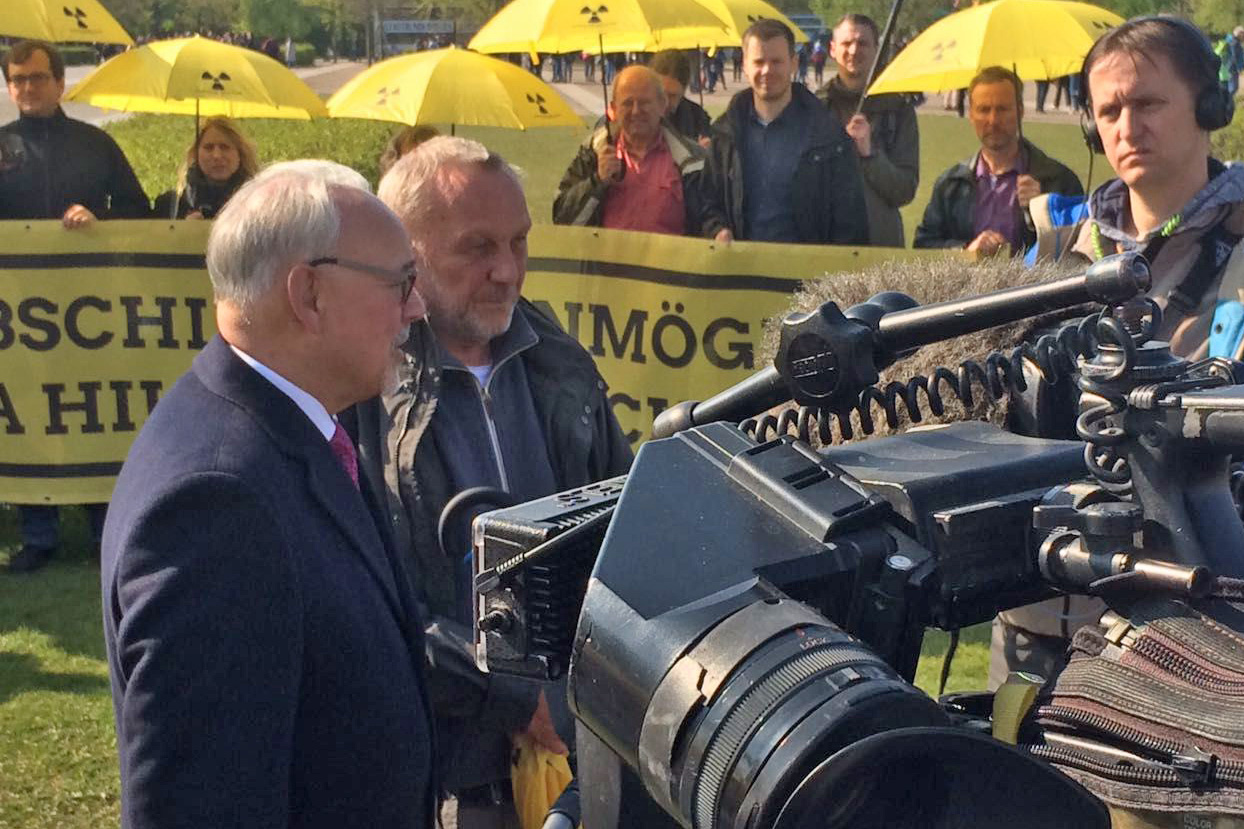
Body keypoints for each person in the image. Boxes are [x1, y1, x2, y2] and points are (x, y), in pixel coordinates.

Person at [101, 160, 436, 828]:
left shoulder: (287, 422)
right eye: (401, 281)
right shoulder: (218, 505)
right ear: (308, 294)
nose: (417, 307)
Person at [364, 136, 632, 829]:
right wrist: (513, 701)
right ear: (407, 252)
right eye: (477, 248)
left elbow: (627, 522)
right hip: (451, 777)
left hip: (590, 747)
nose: (507, 270)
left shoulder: (558, 357)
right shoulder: (362, 390)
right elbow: (369, 608)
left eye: (518, 241)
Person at [994, 16, 1244, 689]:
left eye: (1148, 103)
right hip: (1039, 619)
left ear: (1210, 106)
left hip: (1201, 629)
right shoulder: (1047, 255)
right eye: (1109, 110)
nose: (1127, 126)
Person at [1, 39, 149, 573]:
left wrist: (99, 219)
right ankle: (37, 534)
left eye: (37, 78)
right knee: (29, 411)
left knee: (89, 409)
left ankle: (100, 525)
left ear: (61, 83)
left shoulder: (95, 144)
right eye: (17, 80)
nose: (27, 89)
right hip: (19, 318)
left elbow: (138, 208)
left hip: (88, 315)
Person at [700, 19, 868, 245]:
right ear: (745, 66)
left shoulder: (829, 136)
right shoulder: (725, 135)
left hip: (807, 274)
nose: (767, 70)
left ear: (794, 63)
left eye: (776, 62)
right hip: (740, 273)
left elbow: (851, 223)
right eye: (759, 62)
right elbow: (707, 203)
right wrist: (716, 229)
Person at [914, 66, 1082, 254]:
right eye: (984, 110)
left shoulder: (1058, 181)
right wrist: (965, 251)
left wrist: (1043, 213)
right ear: (971, 115)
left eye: (1002, 109)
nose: (993, 120)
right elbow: (923, 246)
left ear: (1020, 111)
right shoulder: (950, 185)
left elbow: (1076, 252)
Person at [553, 65, 706, 234]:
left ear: (663, 106)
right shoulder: (593, 153)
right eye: (627, 103)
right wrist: (597, 181)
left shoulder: (692, 160)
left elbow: (708, 223)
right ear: (614, 109)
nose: (636, 111)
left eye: (644, 103)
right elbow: (562, 221)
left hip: (670, 260)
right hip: (606, 260)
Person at [820, 14, 919, 247]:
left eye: (863, 43)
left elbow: (905, 190)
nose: (854, 50)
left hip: (880, 245)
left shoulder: (899, 111)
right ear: (833, 49)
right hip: (825, 244)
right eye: (846, 43)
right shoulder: (814, 108)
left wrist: (869, 154)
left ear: (877, 49)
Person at [153, 116, 258, 219]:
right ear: (196, 153)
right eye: (208, 148)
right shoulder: (169, 206)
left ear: (240, 154)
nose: (217, 155)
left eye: (225, 147)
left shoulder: (259, 203)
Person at [648, 50, 711, 144]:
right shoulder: (636, 116)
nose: (666, 102)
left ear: (683, 92)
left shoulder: (698, 118)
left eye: (672, 96)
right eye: (661, 94)